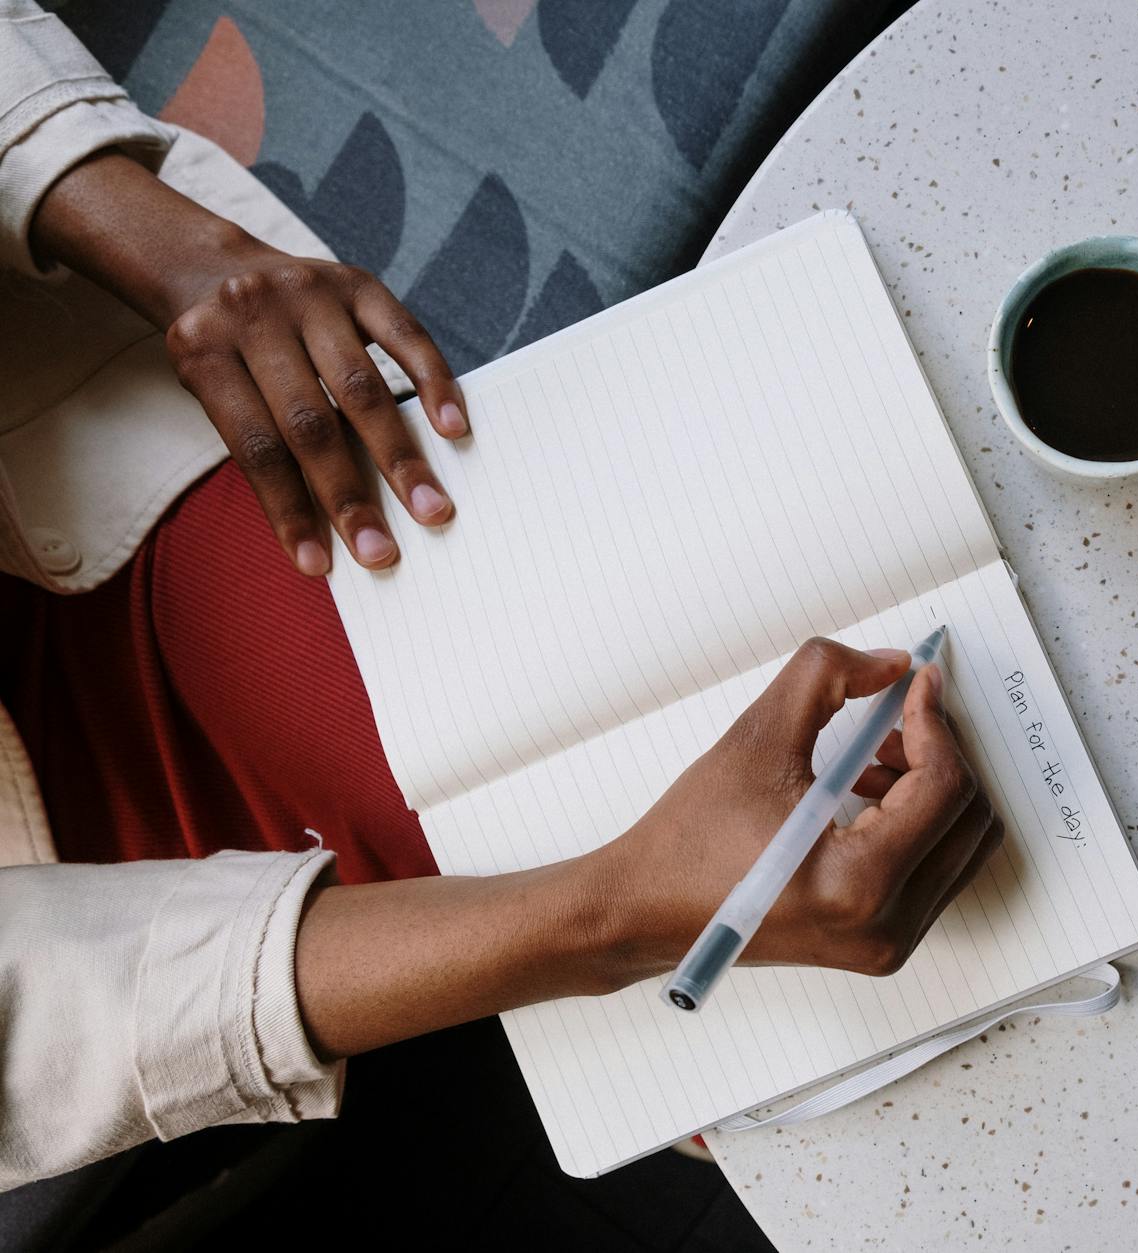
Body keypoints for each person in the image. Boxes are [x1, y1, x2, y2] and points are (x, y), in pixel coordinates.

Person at [0, 2, 1001, 1190]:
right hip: (91, 935)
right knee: (856, 949)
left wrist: (155, 236)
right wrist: (602, 915)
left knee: (837, 497)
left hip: (84, 490)